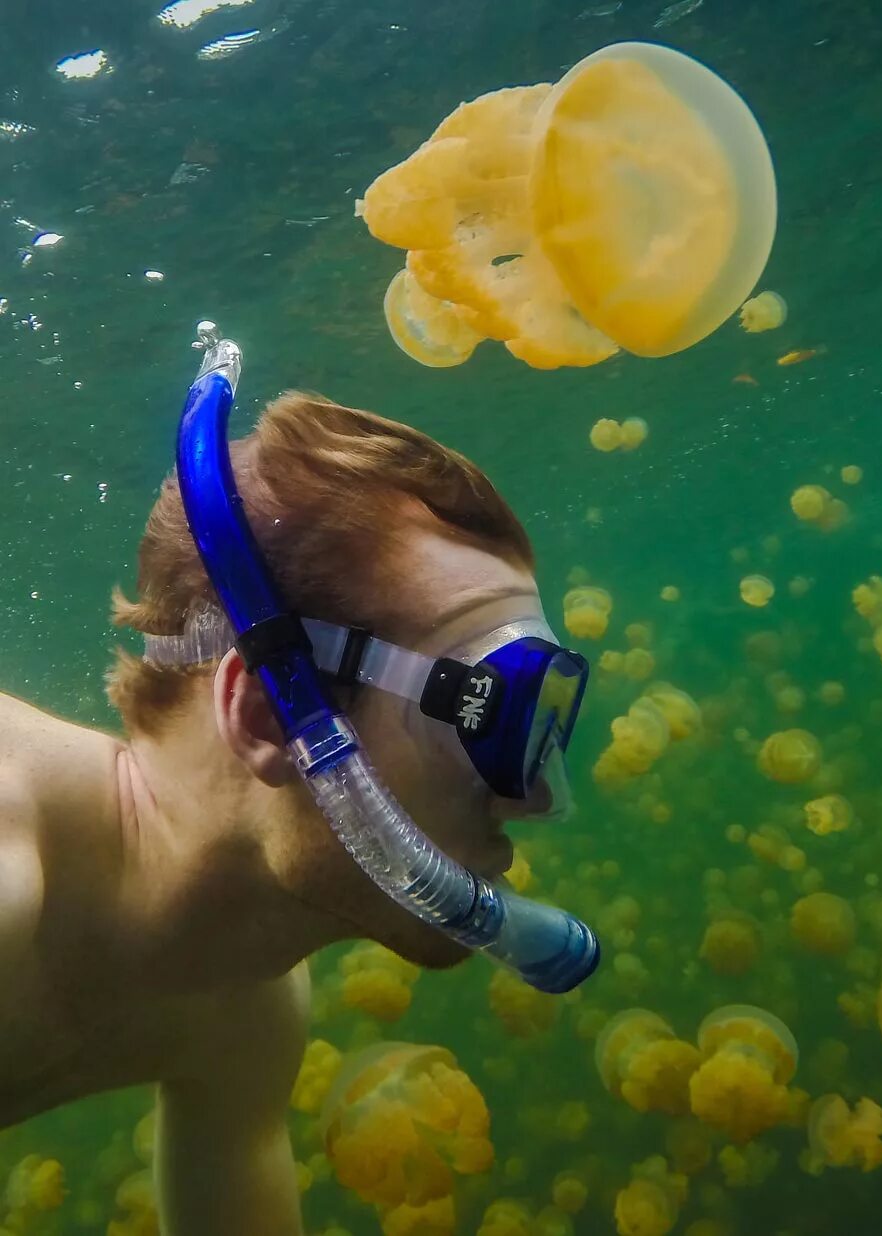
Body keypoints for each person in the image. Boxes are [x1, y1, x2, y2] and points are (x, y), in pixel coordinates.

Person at [0, 365, 594, 1233]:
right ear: (270, 712)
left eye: (547, 720)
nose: (539, 795)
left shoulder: (245, 1011)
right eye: (488, 714)